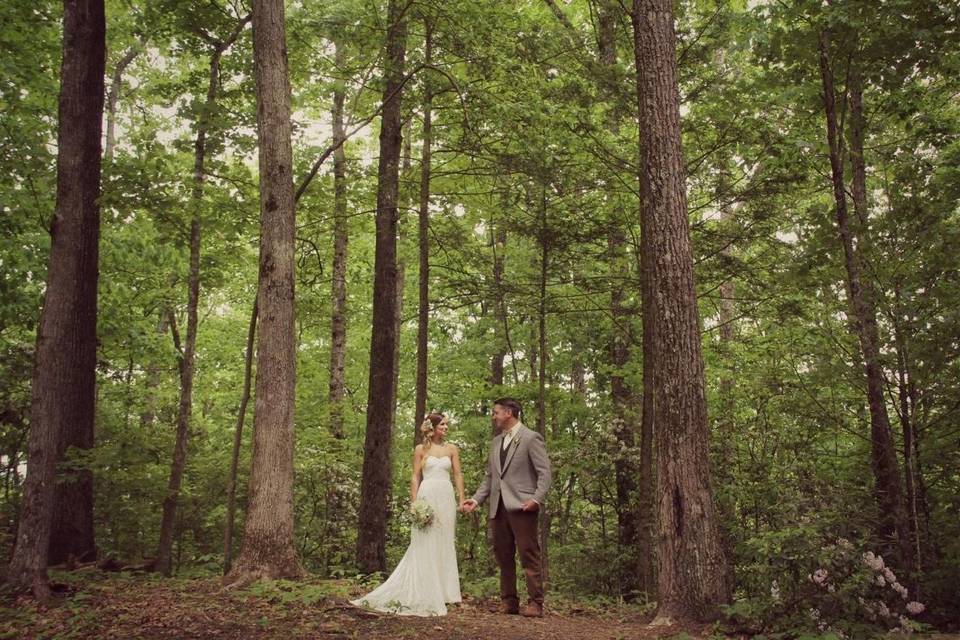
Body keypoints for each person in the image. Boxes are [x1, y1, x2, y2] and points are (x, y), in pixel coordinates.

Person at [351, 413, 465, 616]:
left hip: (445, 495)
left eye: (447, 425)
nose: (446, 428)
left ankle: (448, 593)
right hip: (427, 494)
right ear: (433, 427)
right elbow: (415, 476)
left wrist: (461, 498)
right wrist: (415, 503)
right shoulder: (421, 449)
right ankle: (426, 590)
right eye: (443, 425)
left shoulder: (451, 449)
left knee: (445, 540)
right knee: (425, 540)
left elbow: (457, 474)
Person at [461, 398, 552, 617]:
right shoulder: (495, 442)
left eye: (496, 412)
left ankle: (535, 603)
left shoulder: (531, 438)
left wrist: (536, 499)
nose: (493, 416)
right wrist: (475, 500)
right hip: (497, 508)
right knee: (503, 556)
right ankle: (509, 602)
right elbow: (491, 477)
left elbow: (545, 473)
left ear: (509, 413)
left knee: (529, 554)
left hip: (523, 507)